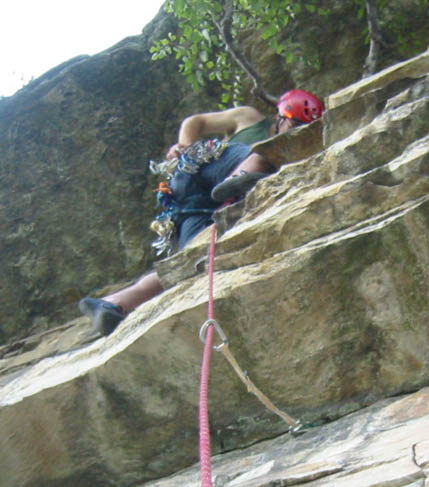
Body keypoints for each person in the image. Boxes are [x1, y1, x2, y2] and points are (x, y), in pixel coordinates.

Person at [79, 89, 324, 336]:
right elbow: (196, 122)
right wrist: (184, 145)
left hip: (193, 205)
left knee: (191, 260)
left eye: (300, 129)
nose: (293, 134)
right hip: (199, 167)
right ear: (280, 116)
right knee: (267, 153)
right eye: (292, 125)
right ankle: (239, 179)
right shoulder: (250, 119)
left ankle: (113, 304)